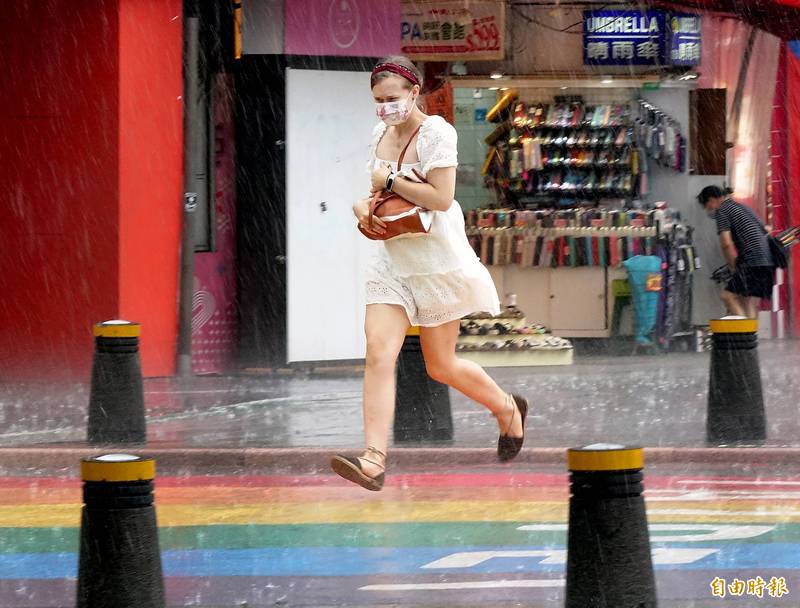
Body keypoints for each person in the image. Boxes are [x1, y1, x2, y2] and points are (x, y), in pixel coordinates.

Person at [330, 56, 528, 491]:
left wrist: (392, 179)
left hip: (435, 261)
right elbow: (372, 192)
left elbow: (440, 198)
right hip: (391, 259)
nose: (384, 107)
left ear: (414, 91)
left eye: (392, 99)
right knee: (378, 353)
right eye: (378, 100)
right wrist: (362, 209)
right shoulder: (379, 133)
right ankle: (373, 460)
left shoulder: (438, 132)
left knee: (441, 366)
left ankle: (507, 408)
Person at [698, 185, 774, 319]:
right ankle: (751, 336)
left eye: (707, 206)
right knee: (747, 301)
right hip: (766, 259)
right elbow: (765, 229)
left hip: (753, 260)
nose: (708, 210)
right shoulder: (741, 207)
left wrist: (733, 267)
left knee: (727, 297)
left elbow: (726, 244)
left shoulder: (722, 211)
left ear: (711, 200)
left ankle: (745, 335)